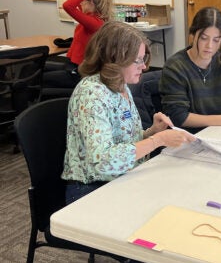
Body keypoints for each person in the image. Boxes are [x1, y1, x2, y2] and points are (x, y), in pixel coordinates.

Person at [62, 22, 194, 204]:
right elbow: (102, 161)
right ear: (115, 60)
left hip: (122, 178)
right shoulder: (91, 94)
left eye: (143, 59)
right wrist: (158, 140)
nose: (144, 67)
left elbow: (122, 142)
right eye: (137, 60)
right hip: (91, 189)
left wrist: (151, 132)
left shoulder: (121, 86)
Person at [44, 0, 115, 89]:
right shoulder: (91, 16)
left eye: (83, 0)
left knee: (39, 77)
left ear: (90, 1)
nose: (80, 3)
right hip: (72, 64)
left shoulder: (95, 23)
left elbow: (68, 6)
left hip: (79, 72)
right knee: (32, 68)